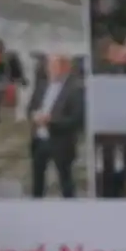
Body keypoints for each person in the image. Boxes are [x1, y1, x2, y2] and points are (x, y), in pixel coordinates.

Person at [25, 55, 85, 198]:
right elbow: (30, 108)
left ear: (64, 68)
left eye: (53, 66)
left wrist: (51, 121)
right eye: (49, 66)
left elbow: (76, 120)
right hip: (39, 141)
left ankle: (69, 207)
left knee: (65, 181)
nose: (49, 70)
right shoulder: (41, 86)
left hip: (60, 142)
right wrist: (34, 116)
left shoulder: (75, 90)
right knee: (37, 180)